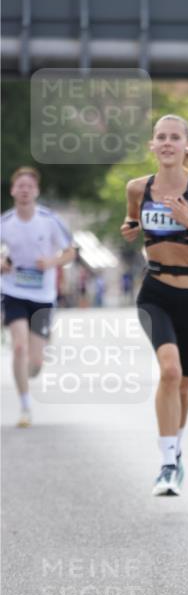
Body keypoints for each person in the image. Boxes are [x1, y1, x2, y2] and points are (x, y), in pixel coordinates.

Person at [121, 114, 188, 496]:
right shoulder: (137, 188)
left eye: (174, 137)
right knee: (169, 371)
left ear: (187, 146)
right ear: (152, 145)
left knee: (185, 384)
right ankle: (165, 464)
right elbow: (132, 223)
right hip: (155, 292)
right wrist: (129, 228)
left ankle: (176, 451)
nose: (166, 143)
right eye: (160, 137)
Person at [1, 167, 76, 427]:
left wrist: (52, 262)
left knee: (35, 361)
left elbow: (70, 252)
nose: (24, 190)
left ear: (36, 191)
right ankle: (24, 406)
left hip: (43, 295)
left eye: (29, 186)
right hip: (13, 291)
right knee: (18, 346)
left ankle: (39, 356)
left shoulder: (49, 220)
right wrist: (2, 263)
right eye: (19, 186)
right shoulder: (5, 222)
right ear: (12, 190)